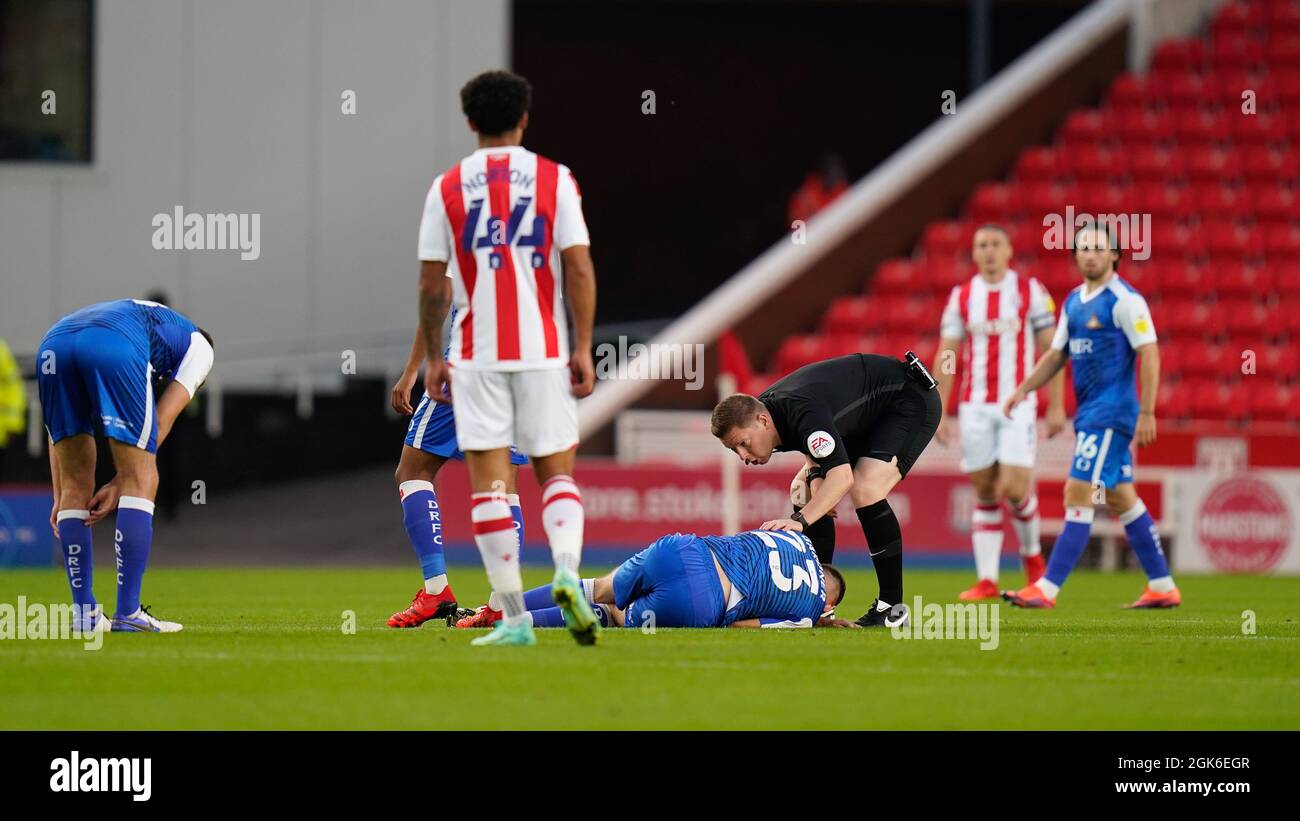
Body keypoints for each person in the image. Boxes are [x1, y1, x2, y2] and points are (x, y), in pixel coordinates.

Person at [416, 70, 598, 647]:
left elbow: (432, 286)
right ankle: (567, 574)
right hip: (541, 350)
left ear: (470, 121)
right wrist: (583, 344)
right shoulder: (555, 180)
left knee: (490, 487)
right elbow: (578, 267)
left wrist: (433, 358)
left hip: (474, 355)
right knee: (554, 473)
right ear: (525, 118)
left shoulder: (446, 188)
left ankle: (516, 617)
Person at [1001, 224, 1179, 609]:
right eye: (1083, 248)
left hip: (1111, 415)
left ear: (1115, 255)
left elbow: (1149, 352)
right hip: (1091, 415)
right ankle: (1163, 586)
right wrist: (1023, 390)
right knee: (1120, 497)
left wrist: (1148, 410)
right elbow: (1056, 355)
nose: (1090, 254)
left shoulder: (1125, 300)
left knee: (1076, 491)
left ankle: (1046, 589)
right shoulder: (1074, 302)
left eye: (1098, 248)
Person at [711, 351, 942, 627]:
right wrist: (817, 480)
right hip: (867, 415)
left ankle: (892, 608)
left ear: (762, 421)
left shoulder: (797, 407)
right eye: (734, 449)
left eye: (743, 443)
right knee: (801, 490)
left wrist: (800, 520)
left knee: (866, 488)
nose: (743, 456)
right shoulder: (771, 413)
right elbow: (814, 441)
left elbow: (842, 477)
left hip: (907, 398)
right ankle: (817, 605)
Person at [37, 298, 214, 633]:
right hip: (112, 343)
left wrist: (60, 496)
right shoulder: (202, 347)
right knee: (143, 477)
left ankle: (85, 615)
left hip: (54, 342)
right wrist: (121, 484)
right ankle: (129, 614)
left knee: (77, 485)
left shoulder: (152, 322)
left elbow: (55, 431)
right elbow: (161, 422)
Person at [932, 225, 1066, 601]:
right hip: (974, 406)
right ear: (974, 254)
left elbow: (1052, 349)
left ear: (1009, 250)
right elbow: (947, 354)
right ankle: (988, 580)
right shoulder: (962, 296)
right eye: (981, 245)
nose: (988, 251)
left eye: (995, 244)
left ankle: (1032, 559)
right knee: (986, 490)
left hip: (1017, 404)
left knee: (1014, 486)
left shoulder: (1029, 291)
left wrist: (1055, 404)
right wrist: (939, 410)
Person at [385, 306, 529, 629]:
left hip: (467, 366)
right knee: (503, 487)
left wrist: (411, 372)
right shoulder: (540, 253)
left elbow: (435, 302)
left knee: (412, 472)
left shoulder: (464, 251)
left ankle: (436, 590)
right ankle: (501, 604)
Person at [458, 529, 852, 633]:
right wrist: (816, 619)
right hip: (703, 600)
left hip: (683, 550)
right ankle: (520, 624)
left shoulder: (796, 538)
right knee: (612, 613)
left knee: (599, 586)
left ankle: (504, 606)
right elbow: (740, 625)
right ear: (830, 603)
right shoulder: (808, 613)